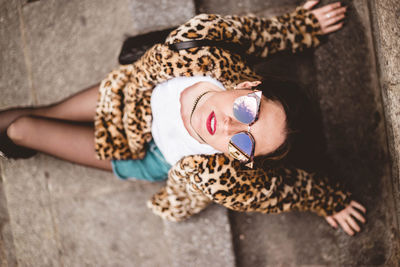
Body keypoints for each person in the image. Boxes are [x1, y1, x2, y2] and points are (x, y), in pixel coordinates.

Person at [0, 0, 366, 236]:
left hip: (147, 157)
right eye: (246, 110)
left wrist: (329, 198)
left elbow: (277, 191)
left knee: (22, 129)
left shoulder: (226, 175)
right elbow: (255, 35)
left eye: (244, 141)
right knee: (39, 115)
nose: (227, 127)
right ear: (247, 84)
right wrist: (300, 28)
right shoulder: (201, 43)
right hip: (129, 96)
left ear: (246, 159)